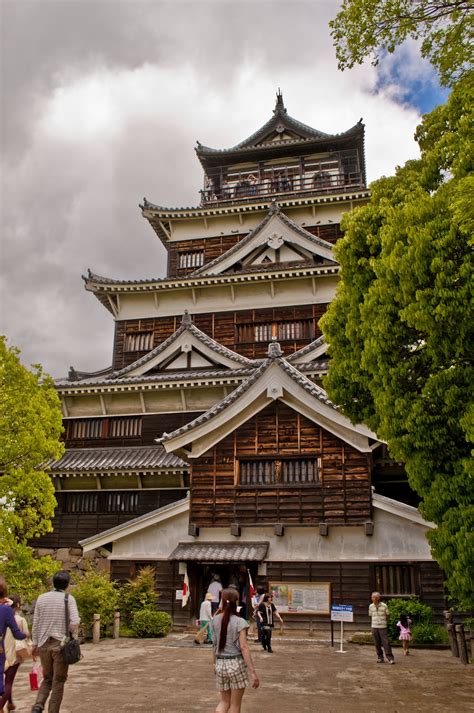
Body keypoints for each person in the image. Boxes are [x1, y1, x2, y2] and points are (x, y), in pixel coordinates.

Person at [31, 570, 80, 713]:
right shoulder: (68, 599)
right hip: (60, 645)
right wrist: (70, 632)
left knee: (47, 678)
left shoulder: (41, 598)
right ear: (67, 584)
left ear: (53, 582)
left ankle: (38, 705)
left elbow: (36, 623)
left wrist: (35, 644)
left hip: (44, 644)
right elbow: (75, 621)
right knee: (58, 681)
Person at [211, 588, 259, 713]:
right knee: (235, 705)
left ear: (222, 601)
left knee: (224, 701)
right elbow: (243, 647)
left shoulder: (215, 619)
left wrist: (214, 663)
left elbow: (214, 645)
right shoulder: (240, 621)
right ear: (236, 603)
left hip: (220, 664)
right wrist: (252, 672)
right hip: (235, 664)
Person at [0, 595, 31, 712]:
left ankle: (10, 703)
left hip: (2, 651)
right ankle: (1, 706)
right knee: (9, 681)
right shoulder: (19, 619)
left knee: (5, 681)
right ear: (17, 605)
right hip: (14, 653)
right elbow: (24, 636)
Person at [368, 591, 394, 664]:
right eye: (372, 597)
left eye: (373, 597)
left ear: (378, 598)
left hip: (383, 626)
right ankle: (380, 657)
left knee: (386, 642)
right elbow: (370, 615)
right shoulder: (370, 606)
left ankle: (390, 658)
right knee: (377, 643)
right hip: (374, 626)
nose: (372, 598)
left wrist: (383, 621)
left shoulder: (384, 605)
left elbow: (388, 615)